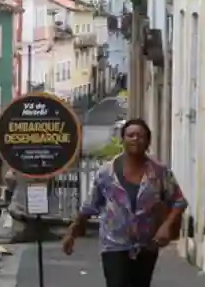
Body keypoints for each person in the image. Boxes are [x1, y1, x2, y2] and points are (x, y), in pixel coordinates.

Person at [62, 118, 187, 287]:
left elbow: (179, 201)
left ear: (148, 141)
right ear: (123, 139)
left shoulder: (159, 172)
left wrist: (166, 226)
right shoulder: (106, 172)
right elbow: (91, 205)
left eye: (140, 136)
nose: (135, 139)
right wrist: (72, 232)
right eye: (131, 135)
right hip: (114, 245)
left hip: (147, 245)